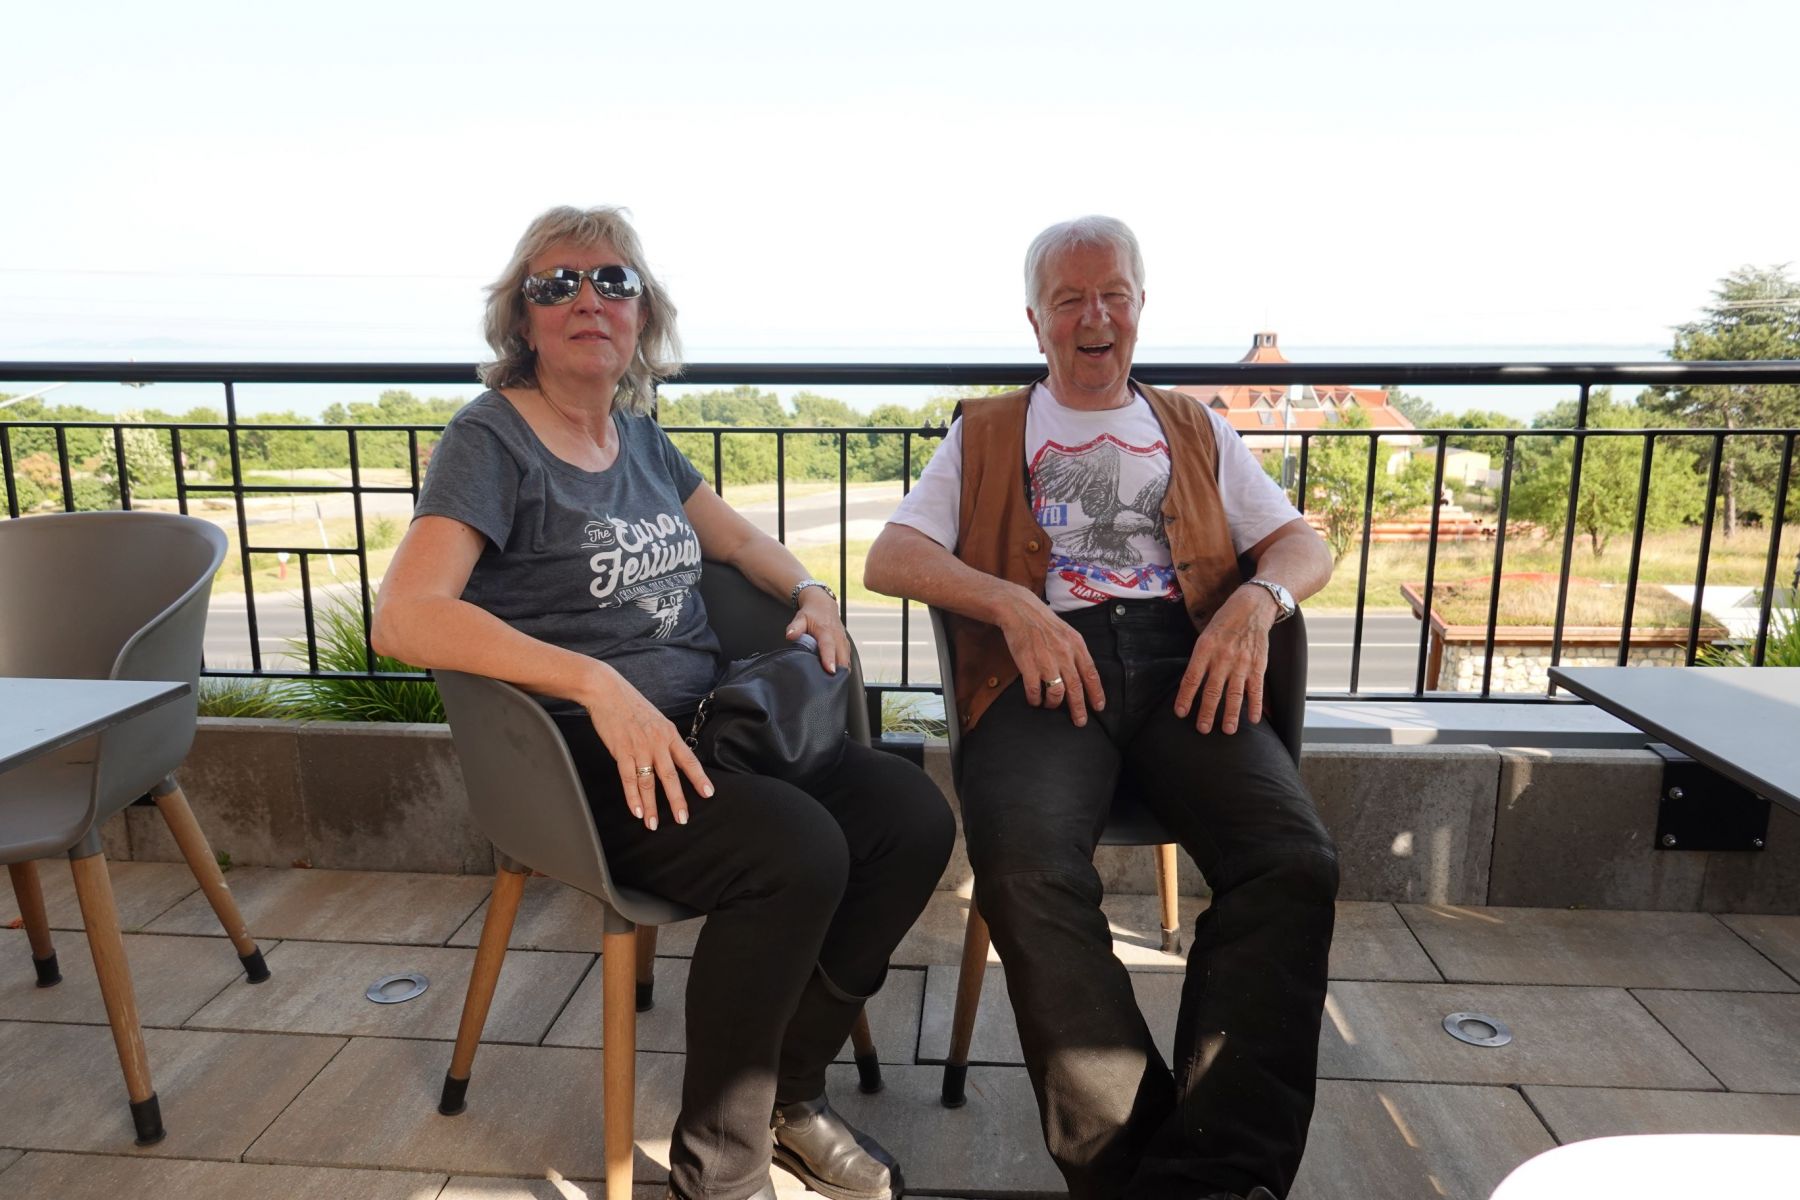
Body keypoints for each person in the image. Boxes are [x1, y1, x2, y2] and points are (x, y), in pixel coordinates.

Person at [374, 205, 953, 1200]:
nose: (587, 299)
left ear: (643, 314)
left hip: (710, 733)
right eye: (556, 284)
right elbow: (407, 615)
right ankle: (716, 1171)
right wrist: (593, 681)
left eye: (613, 280)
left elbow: (739, 543)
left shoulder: (641, 439)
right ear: (522, 319)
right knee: (798, 853)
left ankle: (790, 1093)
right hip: (580, 764)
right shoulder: (491, 441)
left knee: (911, 819)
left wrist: (811, 592)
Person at [863, 216, 1339, 1200]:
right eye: (1071, 299)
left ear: (1140, 306)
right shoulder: (987, 431)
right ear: (1036, 321)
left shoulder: (1196, 427)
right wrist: (1012, 605)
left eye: (1113, 294)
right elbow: (892, 556)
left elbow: (1303, 543)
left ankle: (1214, 1177)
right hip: (1043, 676)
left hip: (1182, 665)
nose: (1095, 317)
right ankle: (1141, 1172)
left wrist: (1257, 600)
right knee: (1025, 873)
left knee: (1292, 862)